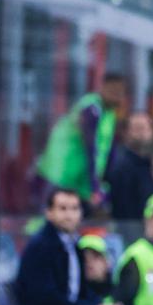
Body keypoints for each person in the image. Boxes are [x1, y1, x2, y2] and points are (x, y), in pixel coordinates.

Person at [35, 74, 127, 210]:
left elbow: (107, 150)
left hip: (79, 177)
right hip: (60, 173)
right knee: (51, 216)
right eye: (113, 91)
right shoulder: (91, 109)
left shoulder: (110, 113)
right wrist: (94, 188)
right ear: (102, 88)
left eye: (120, 92)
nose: (116, 96)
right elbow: (90, 149)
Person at [107, 112, 153, 222]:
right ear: (125, 133)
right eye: (137, 128)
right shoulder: (120, 165)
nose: (142, 133)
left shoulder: (151, 165)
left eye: (146, 128)